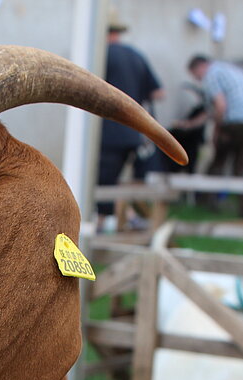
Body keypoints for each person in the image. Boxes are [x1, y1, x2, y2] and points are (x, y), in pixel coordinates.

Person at [97, 13, 165, 226]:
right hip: (135, 132)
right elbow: (159, 93)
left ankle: (104, 224)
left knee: (103, 182)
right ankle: (130, 218)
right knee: (122, 180)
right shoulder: (136, 56)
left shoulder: (100, 55)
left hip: (109, 132)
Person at [188, 54, 243, 217]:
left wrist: (217, 131)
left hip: (236, 122)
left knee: (219, 162)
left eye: (196, 75)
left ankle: (207, 203)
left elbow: (220, 105)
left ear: (200, 67)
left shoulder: (211, 75)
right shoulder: (231, 69)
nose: (198, 79)